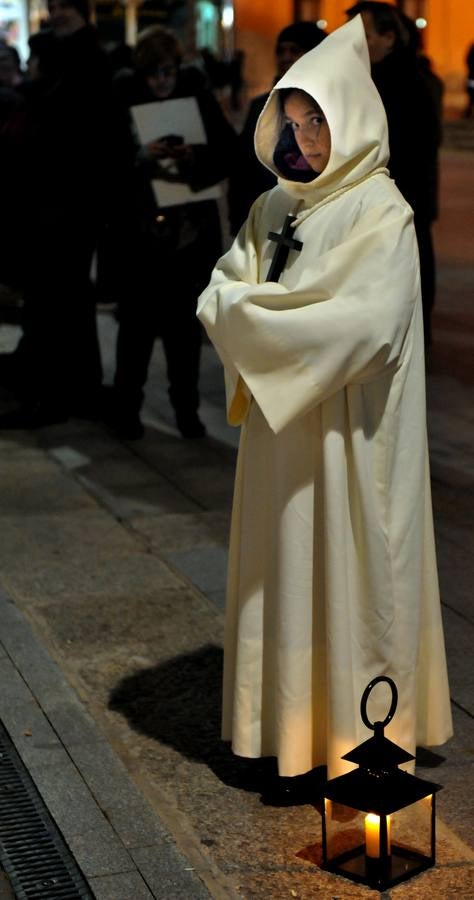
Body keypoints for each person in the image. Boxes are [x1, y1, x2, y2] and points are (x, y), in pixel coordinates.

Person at [197, 16, 452, 802]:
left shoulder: (382, 212)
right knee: (282, 571)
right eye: (292, 121)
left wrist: (255, 316)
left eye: (317, 121)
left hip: (352, 437)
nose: (303, 138)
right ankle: (278, 732)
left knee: (349, 569)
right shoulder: (276, 206)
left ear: (352, 120)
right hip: (284, 433)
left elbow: (363, 325)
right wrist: (254, 312)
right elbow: (220, 287)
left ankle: (354, 741)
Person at [107, 25, 237, 439]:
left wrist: (191, 156)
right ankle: (127, 410)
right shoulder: (122, 100)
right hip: (139, 235)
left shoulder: (196, 95)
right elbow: (102, 165)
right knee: (136, 330)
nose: (161, 82)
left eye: (166, 72)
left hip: (187, 234)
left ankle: (187, 411)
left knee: (183, 331)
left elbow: (226, 153)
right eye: (153, 74)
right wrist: (139, 157)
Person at [0, 0, 125, 426]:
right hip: (56, 197)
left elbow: (83, 126)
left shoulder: (86, 58)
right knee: (61, 295)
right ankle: (69, 385)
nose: (55, 14)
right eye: (52, 7)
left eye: (62, 7)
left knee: (61, 294)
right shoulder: (64, 54)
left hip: (70, 199)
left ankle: (59, 390)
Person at [346, 2, 442, 349]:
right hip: (385, 201)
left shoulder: (405, 82)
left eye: (364, 35)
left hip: (400, 201)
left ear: (388, 38)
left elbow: (409, 147)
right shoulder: (369, 78)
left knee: (405, 279)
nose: (354, 44)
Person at [227, 21, 327, 236]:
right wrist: (239, 219)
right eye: (280, 50)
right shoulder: (261, 106)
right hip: (267, 217)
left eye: (295, 50)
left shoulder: (329, 106)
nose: (285, 57)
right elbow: (244, 166)